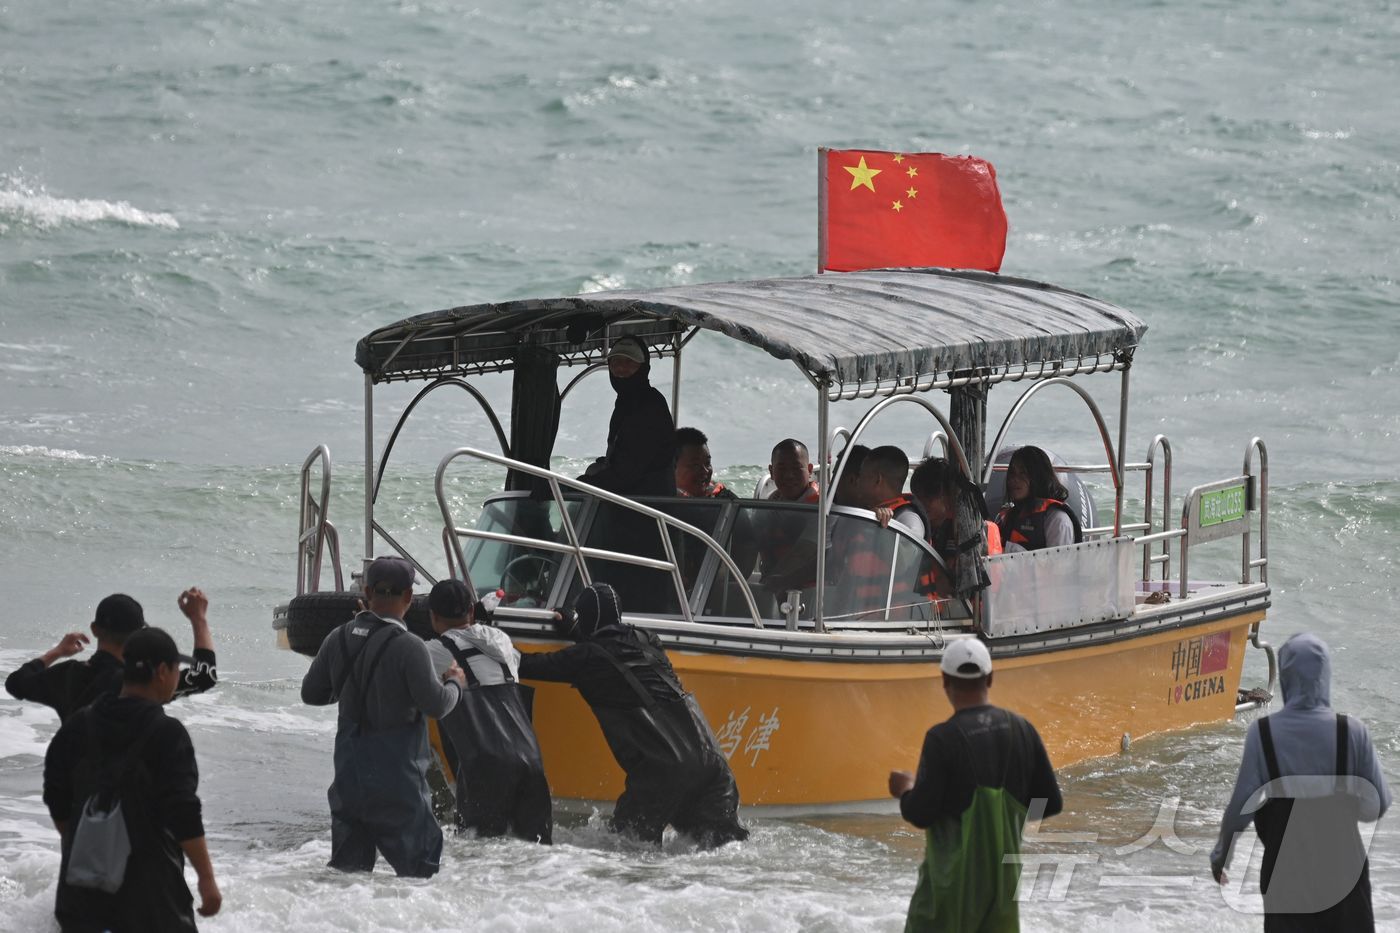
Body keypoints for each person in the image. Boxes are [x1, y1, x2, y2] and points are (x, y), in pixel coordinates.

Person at [520, 583, 748, 848]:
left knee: (627, 850)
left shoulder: (585, 658)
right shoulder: (648, 640)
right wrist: (579, 634)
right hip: (711, 765)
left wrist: (480, 632)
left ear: (587, 619)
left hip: (662, 770)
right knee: (721, 852)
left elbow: (527, 665)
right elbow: (614, 656)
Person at [43, 627, 221, 932]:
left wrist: (87, 842)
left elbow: (55, 795)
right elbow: (183, 810)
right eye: (177, 669)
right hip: (149, 897)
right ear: (162, 672)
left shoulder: (78, 725)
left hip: (81, 892)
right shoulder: (168, 733)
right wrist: (206, 879)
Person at [1210, 633, 1390, 930]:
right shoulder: (1352, 733)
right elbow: (1375, 808)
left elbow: (1239, 809)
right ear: (1325, 676)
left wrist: (1221, 854)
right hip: (1345, 880)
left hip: (1286, 883)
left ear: (1285, 677)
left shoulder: (1264, 734)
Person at [301, 557, 467, 878]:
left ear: (366, 591)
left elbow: (313, 694)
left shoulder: (338, 637)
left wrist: (349, 682)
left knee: (349, 876)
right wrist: (455, 684)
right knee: (420, 877)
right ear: (408, 597)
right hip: (397, 785)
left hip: (349, 781)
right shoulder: (409, 646)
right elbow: (437, 705)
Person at [889, 638, 1062, 932]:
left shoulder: (942, 738)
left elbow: (921, 813)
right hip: (1001, 892)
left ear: (945, 681)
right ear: (990, 678)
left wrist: (906, 789)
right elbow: (1050, 802)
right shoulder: (1022, 729)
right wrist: (1006, 820)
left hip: (949, 896)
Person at [425, 579, 553, 844]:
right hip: (530, 762)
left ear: (433, 616)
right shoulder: (502, 641)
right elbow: (480, 640)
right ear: (471, 611)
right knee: (537, 854)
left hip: (484, 768)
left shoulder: (435, 651)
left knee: (479, 856)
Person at [6, 589, 218, 724]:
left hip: (78, 786)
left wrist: (57, 652)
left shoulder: (67, 675)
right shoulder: (139, 681)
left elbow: (16, 683)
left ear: (94, 630)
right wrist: (198, 619)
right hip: (124, 789)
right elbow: (204, 676)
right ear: (138, 635)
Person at [580, 335, 676, 496]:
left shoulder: (650, 407)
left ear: (643, 367)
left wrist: (577, 485)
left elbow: (628, 472)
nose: (621, 369)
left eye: (629, 362)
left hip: (649, 507)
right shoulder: (626, 402)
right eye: (615, 362)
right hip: (633, 501)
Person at [909, 457, 1003, 598]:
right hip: (927, 611)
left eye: (928, 499)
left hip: (963, 613)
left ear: (946, 496)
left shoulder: (971, 534)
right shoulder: (921, 525)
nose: (922, 506)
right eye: (918, 499)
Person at [994, 445, 1081, 551]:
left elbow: (1059, 565)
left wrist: (1010, 550)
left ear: (1038, 477)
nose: (1014, 480)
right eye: (1012, 473)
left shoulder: (1057, 520)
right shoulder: (1009, 516)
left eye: (1023, 473)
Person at [857, 445, 927, 541]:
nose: (858, 481)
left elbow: (908, 554)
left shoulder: (907, 519)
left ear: (878, 480)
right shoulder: (867, 511)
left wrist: (879, 526)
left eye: (862, 476)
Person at [674, 426, 736, 499]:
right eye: (695, 465)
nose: (705, 471)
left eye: (707, 463)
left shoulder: (724, 499)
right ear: (672, 467)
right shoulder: (660, 503)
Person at [766, 439, 820, 504]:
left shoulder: (825, 502)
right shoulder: (769, 503)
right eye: (782, 469)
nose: (789, 476)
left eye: (796, 468)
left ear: (809, 470)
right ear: (771, 472)